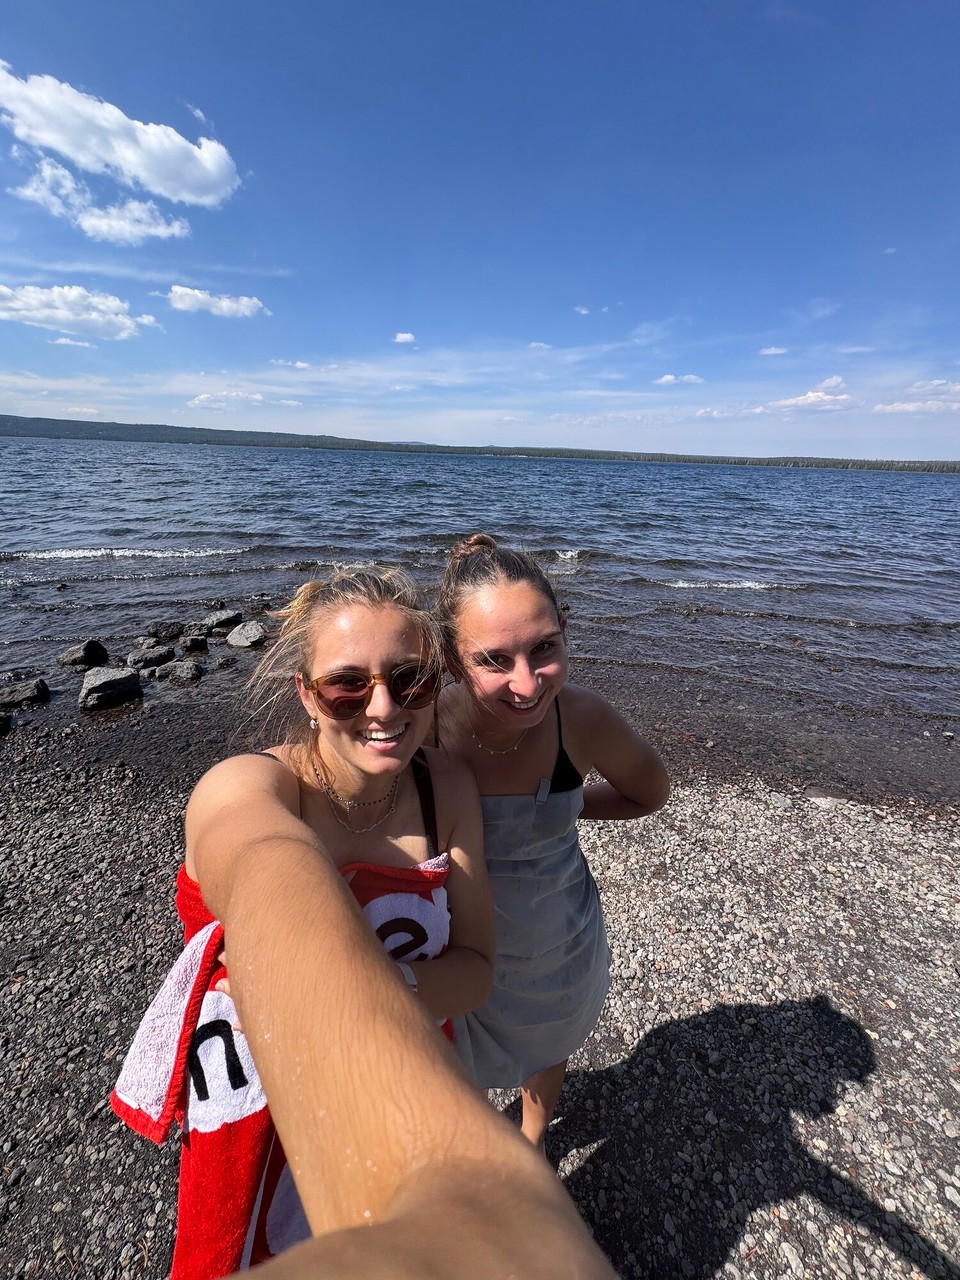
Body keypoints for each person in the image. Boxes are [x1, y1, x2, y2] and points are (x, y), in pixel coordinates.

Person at [111, 568, 495, 1278]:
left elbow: (476, 970)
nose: (382, 706)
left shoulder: (446, 788)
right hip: (258, 1109)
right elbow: (262, 860)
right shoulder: (249, 786)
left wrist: (374, 998)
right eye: (348, 684)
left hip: (404, 1084)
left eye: (409, 680)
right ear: (307, 696)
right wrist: (374, 988)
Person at [436, 533, 670, 1149]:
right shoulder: (422, 729)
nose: (527, 683)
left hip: (556, 938)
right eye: (494, 660)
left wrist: (560, 815)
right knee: (450, 1059)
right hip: (456, 946)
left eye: (544, 649)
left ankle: (534, 1141)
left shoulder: (581, 719)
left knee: (549, 1044)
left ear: (565, 628)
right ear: (452, 659)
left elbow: (649, 793)